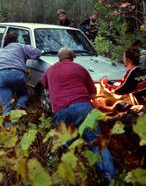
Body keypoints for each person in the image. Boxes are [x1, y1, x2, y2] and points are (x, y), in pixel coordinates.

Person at [41, 47, 116, 180]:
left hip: (60, 111)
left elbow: (44, 84)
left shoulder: (50, 70)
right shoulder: (80, 68)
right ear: (72, 57)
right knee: (96, 143)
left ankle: (73, 177)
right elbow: (93, 94)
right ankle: (109, 176)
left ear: (59, 58)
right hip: (82, 108)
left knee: (67, 147)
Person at [0, 33, 42, 115]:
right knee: (23, 95)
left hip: (1, 75)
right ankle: (19, 108)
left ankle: (8, 126)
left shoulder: (3, 50)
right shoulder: (21, 46)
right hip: (16, 73)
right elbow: (38, 53)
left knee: (7, 106)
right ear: (16, 40)